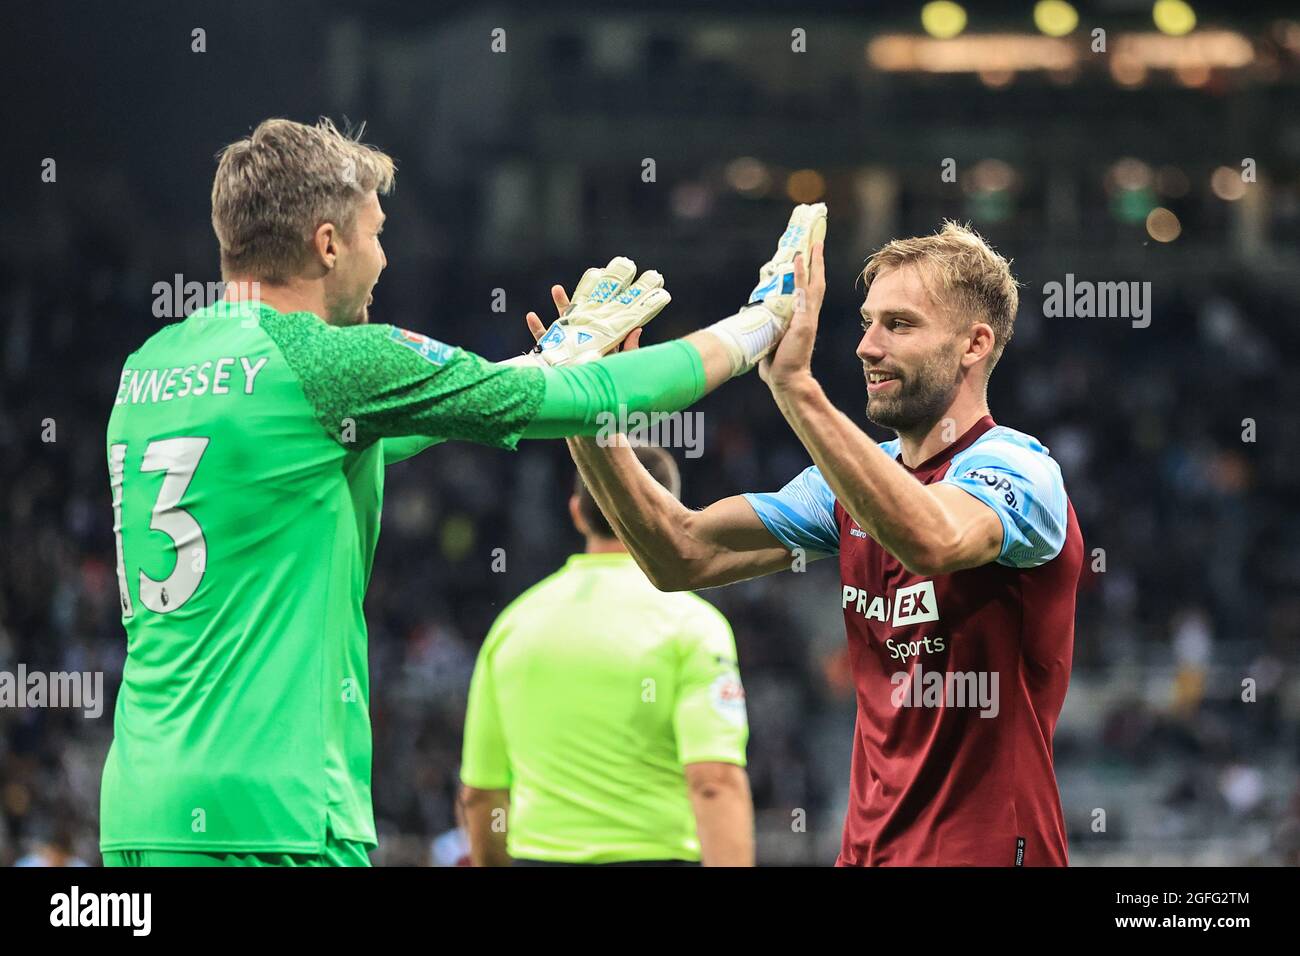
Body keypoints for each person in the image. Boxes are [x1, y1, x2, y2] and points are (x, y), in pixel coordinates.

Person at [99, 116, 821, 866]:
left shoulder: (150, 367)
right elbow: (604, 396)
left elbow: (422, 415)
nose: (383, 258)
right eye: (377, 234)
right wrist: (756, 327)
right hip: (270, 817)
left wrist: (551, 358)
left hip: (139, 806)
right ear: (328, 244)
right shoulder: (329, 361)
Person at [564, 223, 1084, 866]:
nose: (866, 346)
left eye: (899, 324)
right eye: (867, 322)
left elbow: (932, 537)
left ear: (974, 344)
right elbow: (681, 553)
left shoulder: (1021, 470)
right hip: (865, 853)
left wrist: (796, 389)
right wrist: (587, 409)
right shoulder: (851, 481)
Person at [460, 446, 753, 867]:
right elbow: (714, 783)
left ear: (577, 512)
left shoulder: (513, 627)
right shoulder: (693, 625)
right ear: (667, 508)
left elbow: (480, 794)